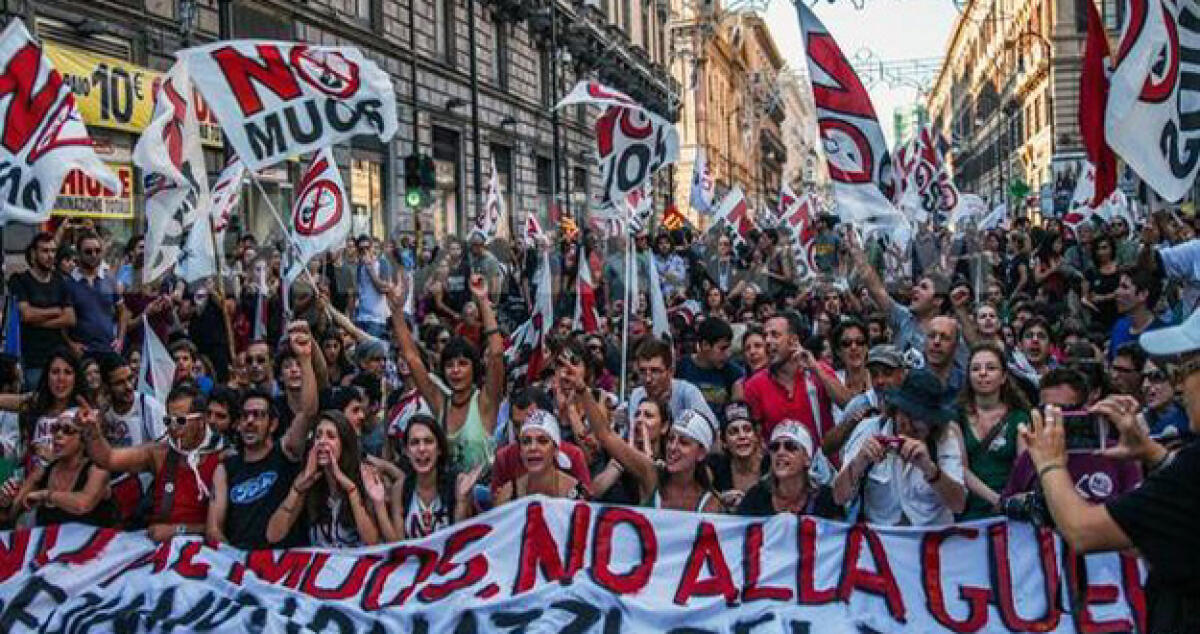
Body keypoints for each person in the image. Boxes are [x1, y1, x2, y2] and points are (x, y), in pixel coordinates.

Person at [79, 384, 224, 541]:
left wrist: (177, 530)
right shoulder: (160, 452)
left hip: (203, 549)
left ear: (201, 421)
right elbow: (107, 459)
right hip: (158, 544)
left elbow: (221, 529)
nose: (173, 428)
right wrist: (92, 432)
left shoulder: (223, 456)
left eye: (181, 421)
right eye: (168, 421)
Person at [396, 274, 503, 473]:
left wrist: (482, 301)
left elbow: (496, 354)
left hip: (483, 500)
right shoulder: (440, 403)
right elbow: (412, 359)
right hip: (449, 497)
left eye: (462, 364)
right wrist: (396, 311)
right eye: (450, 365)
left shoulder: (485, 402)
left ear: (474, 368)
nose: (455, 371)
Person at [1001, 368, 1141, 519]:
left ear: (1084, 409)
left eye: (1061, 409)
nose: (1052, 417)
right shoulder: (1033, 456)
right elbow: (1004, 505)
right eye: (1046, 409)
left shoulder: (1115, 453)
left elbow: (1138, 511)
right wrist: (1024, 503)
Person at [833, 369, 967, 526]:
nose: (909, 427)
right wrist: (858, 463)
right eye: (905, 416)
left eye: (918, 419)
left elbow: (958, 505)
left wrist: (930, 470)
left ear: (932, 422)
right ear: (895, 410)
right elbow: (838, 497)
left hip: (930, 538)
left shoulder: (944, 439)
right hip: (881, 537)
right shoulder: (869, 430)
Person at [206, 367, 319, 549]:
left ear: (273, 424)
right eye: (245, 416)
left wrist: (305, 359)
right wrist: (234, 561)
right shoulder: (225, 469)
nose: (250, 421)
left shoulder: (286, 452)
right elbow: (213, 529)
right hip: (241, 563)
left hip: (285, 563)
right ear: (238, 425)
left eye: (258, 415)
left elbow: (308, 413)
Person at [266, 411, 385, 548]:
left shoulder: (365, 475)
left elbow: (372, 542)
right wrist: (296, 490)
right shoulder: (306, 481)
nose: (322, 441)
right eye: (318, 436)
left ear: (344, 444)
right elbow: (273, 535)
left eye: (331, 436)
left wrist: (352, 491)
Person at [594, 405, 722, 513]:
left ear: (701, 453)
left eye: (683, 442)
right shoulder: (652, 476)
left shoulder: (711, 504)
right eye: (671, 439)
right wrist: (582, 389)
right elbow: (606, 435)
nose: (672, 447)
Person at [955, 344, 1031, 520]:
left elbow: (1024, 465)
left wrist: (1010, 502)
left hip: (1011, 510)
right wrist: (997, 500)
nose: (982, 373)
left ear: (1003, 377)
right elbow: (961, 468)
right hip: (969, 511)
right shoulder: (956, 416)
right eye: (975, 368)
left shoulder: (1019, 417)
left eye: (991, 368)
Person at [1, 413, 115, 528]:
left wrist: (46, 495)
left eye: (67, 430)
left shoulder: (98, 469)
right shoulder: (42, 471)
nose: (58, 435)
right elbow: (12, 515)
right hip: (51, 544)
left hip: (97, 544)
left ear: (83, 437)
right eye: (55, 429)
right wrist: (6, 503)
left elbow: (82, 505)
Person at [742, 311, 835, 442]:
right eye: (765, 336)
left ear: (794, 341)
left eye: (775, 335)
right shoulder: (754, 386)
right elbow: (758, 439)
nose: (767, 341)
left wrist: (815, 369)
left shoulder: (820, 370)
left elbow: (848, 405)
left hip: (823, 459)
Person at [737, 421, 840, 519]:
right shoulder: (756, 497)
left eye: (790, 447)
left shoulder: (825, 499)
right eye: (775, 447)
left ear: (807, 459)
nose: (780, 452)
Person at [11, 233, 75, 387]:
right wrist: (55, 311)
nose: (50, 256)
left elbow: (70, 318)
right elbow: (26, 314)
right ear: (34, 254)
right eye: (45, 251)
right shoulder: (20, 280)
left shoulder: (60, 281)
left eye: (53, 251)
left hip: (58, 356)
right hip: (33, 358)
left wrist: (37, 319)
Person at [389, 414, 467, 540]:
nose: (421, 448)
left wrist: (462, 501)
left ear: (439, 449)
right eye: (414, 443)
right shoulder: (399, 489)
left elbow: (461, 542)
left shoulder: (457, 483)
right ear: (406, 451)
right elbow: (399, 545)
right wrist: (379, 505)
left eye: (428, 441)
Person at [493, 410, 589, 506]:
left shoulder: (576, 493)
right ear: (520, 451)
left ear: (555, 450)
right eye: (526, 442)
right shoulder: (507, 495)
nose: (533, 448)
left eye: (542, 441)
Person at [627, 338, 716, 428]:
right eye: (642, 371)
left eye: (655, 371)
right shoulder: (637, 395)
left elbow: (711, 429)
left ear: (671, 371)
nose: (648, 379)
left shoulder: (687, 393)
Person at [675, 317, 744, 423]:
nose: (728, 354)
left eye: (729, 348)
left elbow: (737, 417)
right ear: (705, 345)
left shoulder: (733, 372)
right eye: (722, 348)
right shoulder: (681, 367)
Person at [65, 232, 121, 356]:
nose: (94, 255)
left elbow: (122, 310)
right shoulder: (68, 283)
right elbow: (62, 321)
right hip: (83, 354)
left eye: (97, 250)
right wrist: (70, 344)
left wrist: (120, 339)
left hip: (108, 350)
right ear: (78, 254)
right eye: (88, 252)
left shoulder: (109, 279)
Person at [707, 401, 768, 509]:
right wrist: (718, 501)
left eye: (747, 430)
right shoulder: (715, 468)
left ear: (756, 437)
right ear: (724, 442)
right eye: (733, 432)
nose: (742, 436)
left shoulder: (770, 466)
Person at [1108, 268, 1168, 360]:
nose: (1117, 292)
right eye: (1118, 286)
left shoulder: (1163, 335)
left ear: (1143, 294)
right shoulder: (1119, 326)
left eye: (1125, 287)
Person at [1140, 358, 1192, 445]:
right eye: (1143, 378)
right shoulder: (1139, 421)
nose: (1145, 385)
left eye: (1156, 377)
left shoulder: (1191, 419)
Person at [354, 235, 393, 339]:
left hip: (376, 319)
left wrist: (370, 270)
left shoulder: (382, 263)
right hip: (361, 317)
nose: (365, 251)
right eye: (361, 249)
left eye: (367, 248)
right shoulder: (359, 267)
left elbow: (382, 289)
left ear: (372, 248)